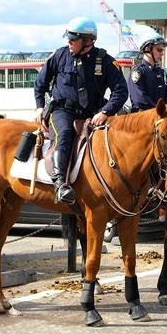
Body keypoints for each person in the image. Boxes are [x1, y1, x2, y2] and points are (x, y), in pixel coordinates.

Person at [35, 17, 128, 205]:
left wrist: (106, 112)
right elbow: (40, 83)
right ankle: (61, 185)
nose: (68, 43)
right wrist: (39, 107)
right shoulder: (60, 55)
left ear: (87, 41)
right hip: (62, 111)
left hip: (94, 114)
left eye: (72, 40)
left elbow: (121, 91)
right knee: (65, 134)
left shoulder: (106, 61)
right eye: (68, 39)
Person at [127, 34, 167, 112]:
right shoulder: (138, 71)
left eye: (163, 50)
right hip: (143, 118)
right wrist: (160, 110)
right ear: (147, 49)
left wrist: (166, 108)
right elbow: (140, 100)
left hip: (161, 117)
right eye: (159, 50)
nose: (162, 53)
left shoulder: (162, 73)